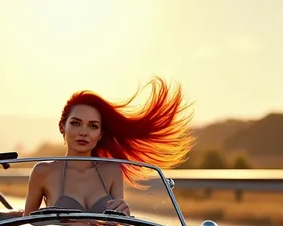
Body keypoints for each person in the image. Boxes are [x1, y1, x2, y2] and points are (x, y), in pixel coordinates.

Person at [21, 76, 195, 217]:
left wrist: (123, 212)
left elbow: (115, 224)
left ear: (100, 134)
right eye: (76, 123)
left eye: (93, 126)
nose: (84, 132)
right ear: (62, 127)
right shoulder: (43, 171)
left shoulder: (112, 170)